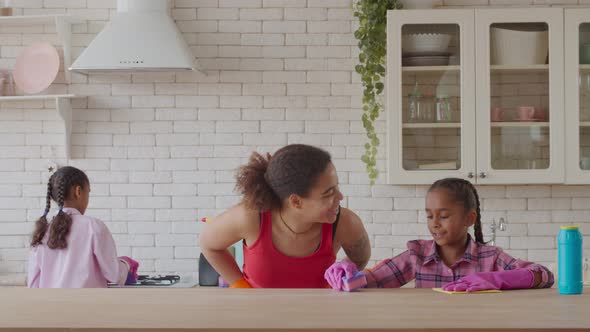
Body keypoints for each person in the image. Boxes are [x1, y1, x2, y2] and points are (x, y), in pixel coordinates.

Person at [325, 177, 554, 292]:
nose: (434, 224)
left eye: (443, 216)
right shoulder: (417, 256)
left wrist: (493, 279)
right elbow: (373, 281)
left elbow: (543, 275)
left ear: (469, 219)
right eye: (429, 216)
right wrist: (348, 275)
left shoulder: (490, 258)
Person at [199, 144, 371, 288]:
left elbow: (360, 257)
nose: (340, 197)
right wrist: (240, 286)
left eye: (336, 187)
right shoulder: (250, 217)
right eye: (328, 193)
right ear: (296, 201)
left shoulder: (346, 223)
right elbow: (208, 244)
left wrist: (341, 276)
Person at [27, 166, 139, 288]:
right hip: (89, 306)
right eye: (88, 192)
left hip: (50, 305)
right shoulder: (94, 226)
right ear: (78, 191)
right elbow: (114, 274)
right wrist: (126, 263)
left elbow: (33, 285)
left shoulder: (42, 230)